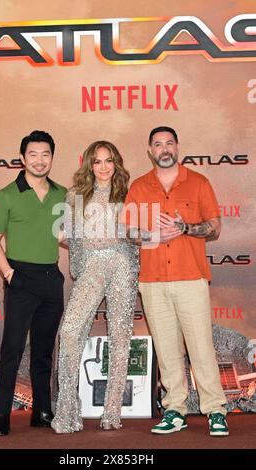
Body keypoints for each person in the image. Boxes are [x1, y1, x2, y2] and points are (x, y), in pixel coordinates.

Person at [124, 126, 229, 436]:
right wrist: (150, 235)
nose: (164, 149)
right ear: (150, 150)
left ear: (177, 147)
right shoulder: (139, 187)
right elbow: (128, 232)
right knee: (167, 349)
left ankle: (215, 410)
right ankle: (175, 409)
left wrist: (186, 227)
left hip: (191, 277)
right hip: (153, 280)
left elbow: (214, 227)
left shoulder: (198, 183)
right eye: (158, 144)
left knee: (201, 347)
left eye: (169, 143)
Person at [51, 141, 138, 433]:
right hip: (92, 266)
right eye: (97, 161)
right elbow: (66, 235)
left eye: (109, 160)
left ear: (117, 163)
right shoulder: (75, 195)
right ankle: (67, 412)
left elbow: (138, 235)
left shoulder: (128, 193)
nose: (103, 167)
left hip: (123, 264)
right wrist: (82, 245)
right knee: (71, 329)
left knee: (120, 336)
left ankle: (112, 411)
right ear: (89, 164)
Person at [0, 130, 66, 436]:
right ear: (22, 158)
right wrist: (9, 274)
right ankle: (2, 415)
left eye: (45, 154)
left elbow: (63, 236)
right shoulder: (5, 195)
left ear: (52, 158)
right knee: (13, 349)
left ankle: (42, 411)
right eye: (33, 154)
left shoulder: (62, 193)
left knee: (44, 350)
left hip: (51, 278)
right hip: (20, 278)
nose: (39, 160)